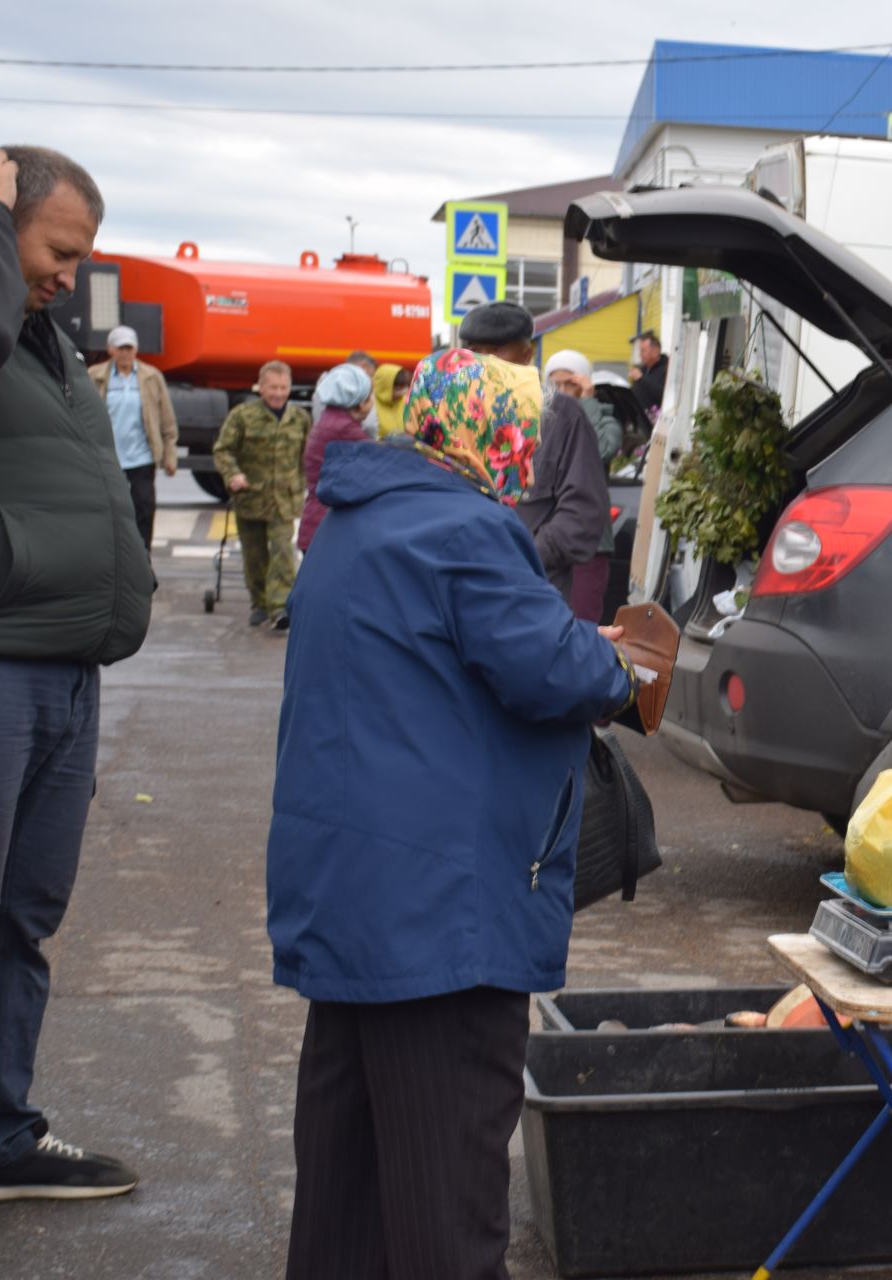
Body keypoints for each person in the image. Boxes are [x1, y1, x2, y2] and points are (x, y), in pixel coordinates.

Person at [268, 347, 636, 1278]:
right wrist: (620, 665)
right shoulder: (464, 529)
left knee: (346, 1197)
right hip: (439, 917)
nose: (532, 452)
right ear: (492, 433)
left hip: (350, 895)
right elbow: (556, 668)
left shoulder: (355, 521)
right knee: (449, 1202)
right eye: (526, 432)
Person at [0, 143, 152, 1207]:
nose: (71, 276)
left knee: (16, 920)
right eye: (59, 250)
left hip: (59, 672)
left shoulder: (38, 337)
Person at [458, 302, 609, 615]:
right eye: (474, 352)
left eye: (497, 351)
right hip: (464, 592)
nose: (484, 364)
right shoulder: (455, 417)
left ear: (527, 356)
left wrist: (519, 556)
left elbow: (582, 516)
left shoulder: (561, 416)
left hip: (534, 598)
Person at [214, 360, 310, 629]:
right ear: (261, 387)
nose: (278, 393)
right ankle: (259, 602)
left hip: (284, 500)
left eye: (283, 387)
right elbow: (223, 450)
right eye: (273, 388)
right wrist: (233, 474)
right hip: (251, 498)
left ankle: (280, 607)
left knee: (282, 552)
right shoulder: (243, 415)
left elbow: (308, 456)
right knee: (254, 556)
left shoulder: (300, 419)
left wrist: (309, 486)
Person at [545, 348, 622, 622]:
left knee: (581, 625)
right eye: (556, 385)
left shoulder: (606, 422)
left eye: (572, 384)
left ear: (586, 384)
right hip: (547, 542)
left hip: (590, 547)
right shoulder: (540, 423)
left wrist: (587, 401)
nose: (564, 391)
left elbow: (600, 449)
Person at [87, 324, 178, 551]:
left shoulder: (151, 377)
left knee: (144, 509)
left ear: (136, 350)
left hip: (141, 457)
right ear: (111, 350)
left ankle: (142, 557)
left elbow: (167, 420)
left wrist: (170, 455)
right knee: (108, 511)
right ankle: (109, 555)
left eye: (129, 348)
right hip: (108, 458)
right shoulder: (94, 376)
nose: (125, 353)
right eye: (120, 348)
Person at [298, 362, 374, 553]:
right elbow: (378, 462)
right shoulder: (344, 428)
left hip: (317, 524)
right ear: (358, 399)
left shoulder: (332, 419)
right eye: (370, 396)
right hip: (326, 529)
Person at [630, 329, 667, 422]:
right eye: (640, 351)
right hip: (639, 421)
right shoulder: (642, 369)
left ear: (656, 351)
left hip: (657, 421)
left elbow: (663, 394)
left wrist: (642, 379)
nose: (640, 355)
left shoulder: (667, 368)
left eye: (643, 351)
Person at [371, 362, 410, 439]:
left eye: (404, 387)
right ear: (384, 387)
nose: (402, 393)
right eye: (398, 389)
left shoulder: (407, 401)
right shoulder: (369, 404)